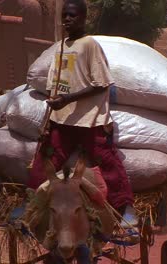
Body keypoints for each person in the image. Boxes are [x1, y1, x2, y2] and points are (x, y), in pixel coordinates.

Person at [28, 0, 136, 228]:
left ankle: (126, 209)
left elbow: (101, 84)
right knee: (45, 159)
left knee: (107, 162)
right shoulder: (60, 47)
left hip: (90, 121)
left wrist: (67, 99)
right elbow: (54, 83)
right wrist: (52, 105)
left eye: (72, 16)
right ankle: (31, 205)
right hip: (62, 120)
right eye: (64, 15)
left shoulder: (90, 45)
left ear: (84, 18)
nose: (67, 19)